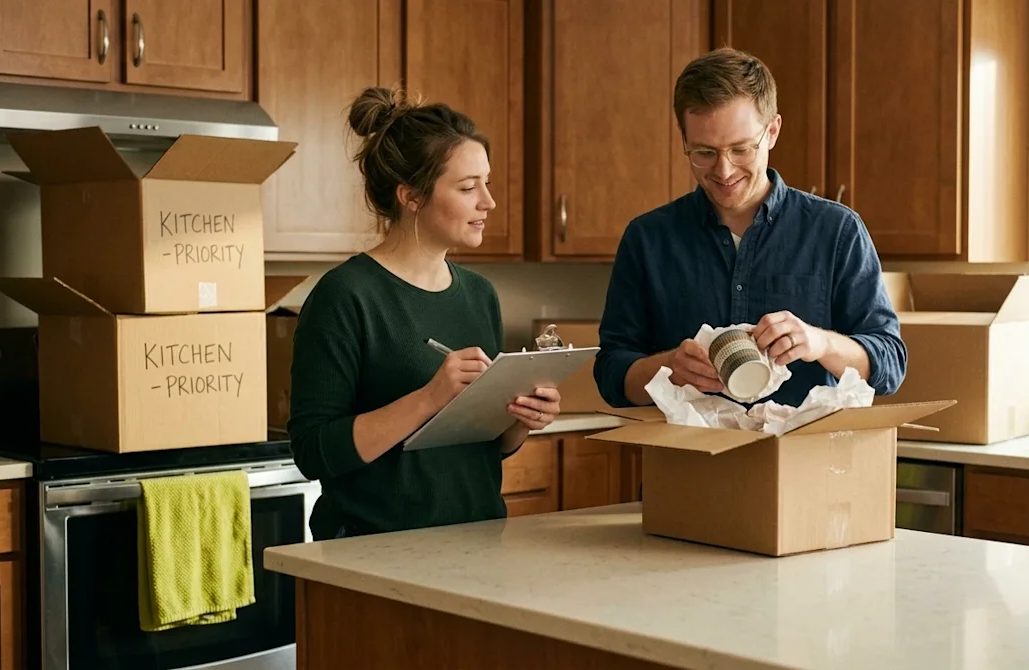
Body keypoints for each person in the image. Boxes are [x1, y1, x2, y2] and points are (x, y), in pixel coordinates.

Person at [287, 87, 562, 541]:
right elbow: (314, 453)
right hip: (371, 551)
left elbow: (487, 447)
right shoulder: (345, 296)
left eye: (486, 183)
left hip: (478, 542)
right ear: (411, 196)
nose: (488, 202)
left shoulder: (479, 294)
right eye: (468, 187)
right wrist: (430, 397)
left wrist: (522, 419)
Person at [594, 47, 906, 410]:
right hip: (688, 462)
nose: (724, 171)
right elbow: (611, 376)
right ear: (684, 140)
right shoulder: (647, 239)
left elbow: (890, 365)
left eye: (741, 149)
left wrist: (820, 343)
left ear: (772, 131)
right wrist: (669, 368)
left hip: (804, 463)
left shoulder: (837, 232)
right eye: (704, 153)